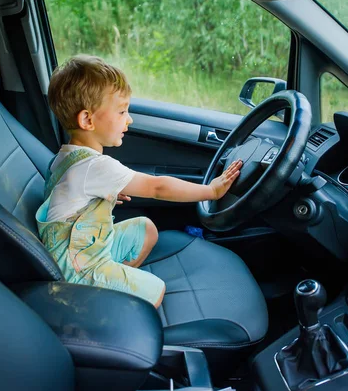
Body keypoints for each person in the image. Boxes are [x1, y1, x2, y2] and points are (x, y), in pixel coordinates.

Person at [36, 54, 242, 308]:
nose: (129, 119)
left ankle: (114, 286)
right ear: (87, 120)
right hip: (77, 269)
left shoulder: (66, 157)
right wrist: (211, 190)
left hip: (85, 249)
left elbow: (71, 200)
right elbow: (158, 187)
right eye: (122, 111)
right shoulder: (95, 167)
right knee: (155, 291)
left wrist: (102, 197)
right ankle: (106, 300)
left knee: (146, 229)